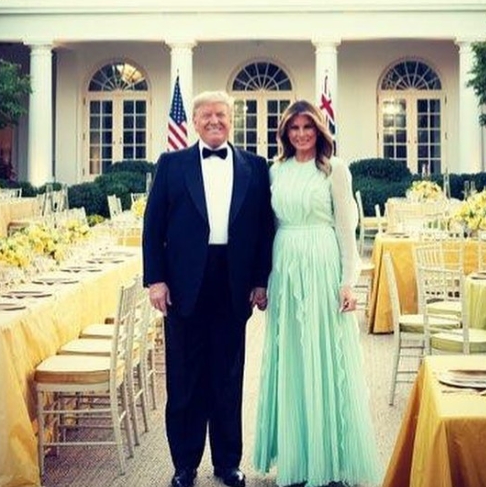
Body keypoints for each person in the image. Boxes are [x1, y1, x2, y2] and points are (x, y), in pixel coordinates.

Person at [142, 91, 275, 487]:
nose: (214, 121)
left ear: (231, 119)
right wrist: (156, 280)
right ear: (195, 121)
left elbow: (264, 230)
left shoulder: (255, 166)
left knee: (228, 376)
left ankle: (227, 462)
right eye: (206, 115)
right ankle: (184, 464)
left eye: (221, 114)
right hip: (184, 285)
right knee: (184, 378)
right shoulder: (171, 164)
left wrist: (259, 279)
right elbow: (153, 229)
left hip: (232, 283)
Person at [252, 100, 381, 486]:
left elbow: (347, 230)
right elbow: (268, 227)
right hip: (286, 267)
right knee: (291, 355)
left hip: (323, 265)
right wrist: (264, 278)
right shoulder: (275, 170)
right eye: (294, 128)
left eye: (308, 128)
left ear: (319, 131)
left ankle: (329, 458)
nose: (301, 135)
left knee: (323, 356)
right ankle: (297, 456)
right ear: (285, 132)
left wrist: (349, 281)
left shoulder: (335, 170)